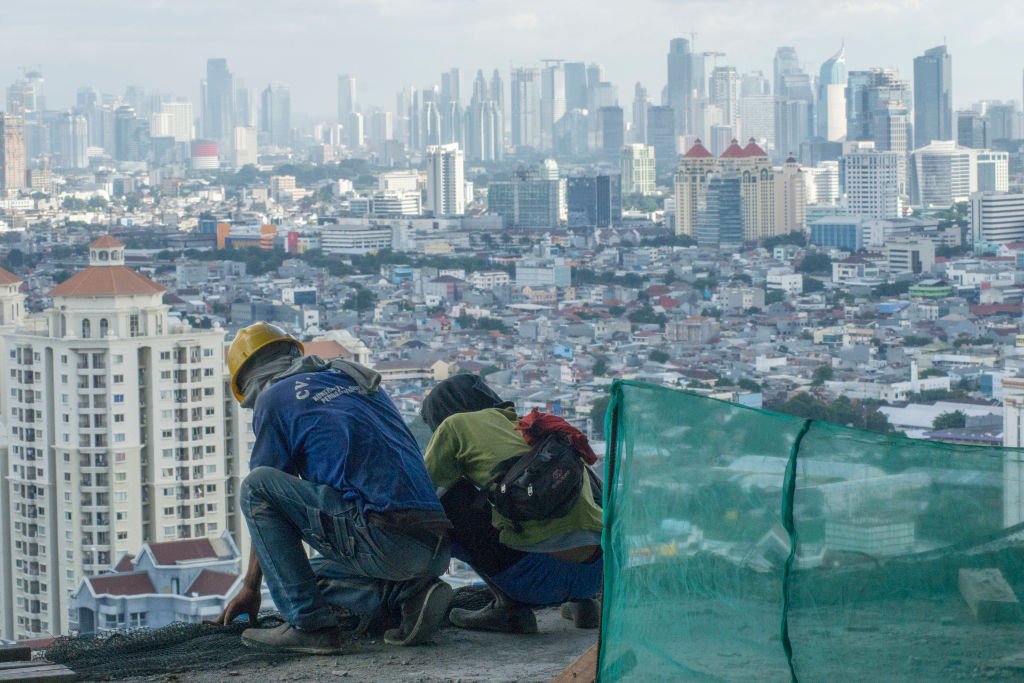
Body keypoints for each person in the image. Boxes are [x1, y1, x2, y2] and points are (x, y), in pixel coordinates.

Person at [214, 322, 452, 654]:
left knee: (255, 487)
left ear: (247, 383)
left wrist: (251, 586)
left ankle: (311, 626)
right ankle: (409, 595)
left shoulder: (273, 398)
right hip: (438, 541)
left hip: (388, 541)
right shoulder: (353, 376)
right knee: (307, 578)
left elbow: (265, 499)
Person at [421, 374, 603, 634]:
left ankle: (508, 610)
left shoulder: (454, 426)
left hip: (535, 581)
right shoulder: (534, 426)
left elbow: (424, 491)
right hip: (598, 574)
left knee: (448, 501)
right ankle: (584, 605)